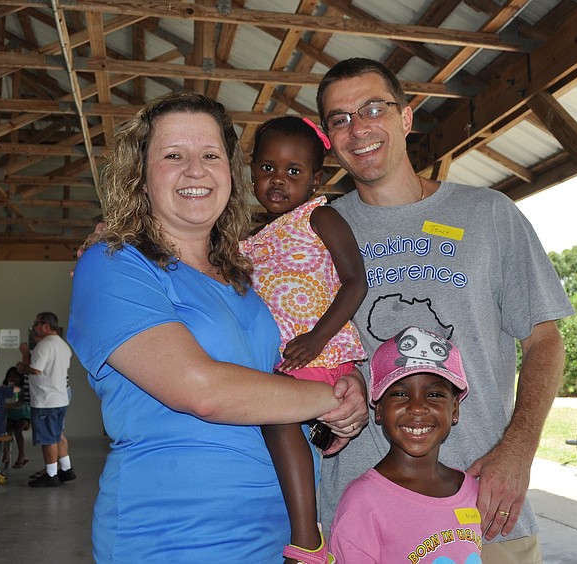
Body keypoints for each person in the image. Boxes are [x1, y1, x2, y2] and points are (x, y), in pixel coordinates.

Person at [67, 90, 368, 562]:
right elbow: (201, 389)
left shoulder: (246, 278)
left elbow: (283, 367)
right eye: (172, 155)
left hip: (281, 537)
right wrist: (334, 399)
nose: (195, 170)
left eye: (210, 155)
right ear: (141, 177)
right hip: (177, 535)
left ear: (230, 172)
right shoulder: (113, 265)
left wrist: (346, 377)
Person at [315, 58, 575, 563]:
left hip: (486, 511)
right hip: (364, 521)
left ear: (406, 118)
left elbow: (544, 340)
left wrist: (518, 450)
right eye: (340, 118)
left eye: (373, 108)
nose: (358, 128)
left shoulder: (489, 215)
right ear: (328, 137)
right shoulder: (317, 232)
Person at [242, 115, 367, 562]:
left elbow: (356, 281)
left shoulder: (321, 216)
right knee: (273, 422)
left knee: (275, 418)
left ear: (315, 179)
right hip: (288, 358)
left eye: (294, 172)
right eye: (267, 168)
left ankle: (307, 541)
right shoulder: (250, 238)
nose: (278, 180)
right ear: (251, 169)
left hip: (321, 349)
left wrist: (317, 337)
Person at [330, 326, 482, 563]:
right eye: (400, 394)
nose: (417, 407)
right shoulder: (364, 500)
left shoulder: (471, 490)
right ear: (378, 409)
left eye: (434, 395)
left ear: (455, 409)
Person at [16, 312, 75, 488]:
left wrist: (22, 367)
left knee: (48, 438)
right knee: (57, 435)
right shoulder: (64, 346)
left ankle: (51, 474)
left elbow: (35, 370)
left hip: (45, 399)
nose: (34, 327)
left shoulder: (44, 345)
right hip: (60, 397)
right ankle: (66, 469)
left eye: (36, 323)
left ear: (46, 326)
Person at [2, 365, 30, 469]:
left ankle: (21, 454)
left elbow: (20, 402)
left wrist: (7, 406)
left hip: (23, 415)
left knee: (18, 429)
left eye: (15, 376)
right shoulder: (5, 388)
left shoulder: (22, 389)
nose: (12, 379)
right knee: (6, 430)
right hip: (10, 415)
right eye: (9, 376)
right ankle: (6, 453)